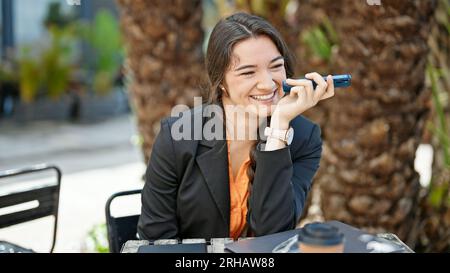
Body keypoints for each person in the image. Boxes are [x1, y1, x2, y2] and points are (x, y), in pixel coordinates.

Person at [137, 12, 334, 241]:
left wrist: (279, 127)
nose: (268, 83)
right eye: (248, 72)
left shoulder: (304, 138)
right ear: (220, 82)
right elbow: (156, 240)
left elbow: (272, 233)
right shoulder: (177, 136)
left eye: (276, 66)